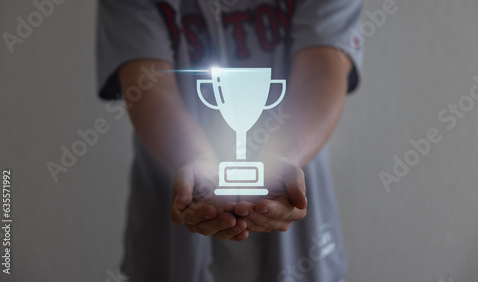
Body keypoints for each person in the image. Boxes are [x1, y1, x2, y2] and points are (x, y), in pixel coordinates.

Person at [97, 0, 363, 281]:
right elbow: (149, 84)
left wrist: (281, 159)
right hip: (170, 235)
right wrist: (195, 160)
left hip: (301, 242)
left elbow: (321, 72)